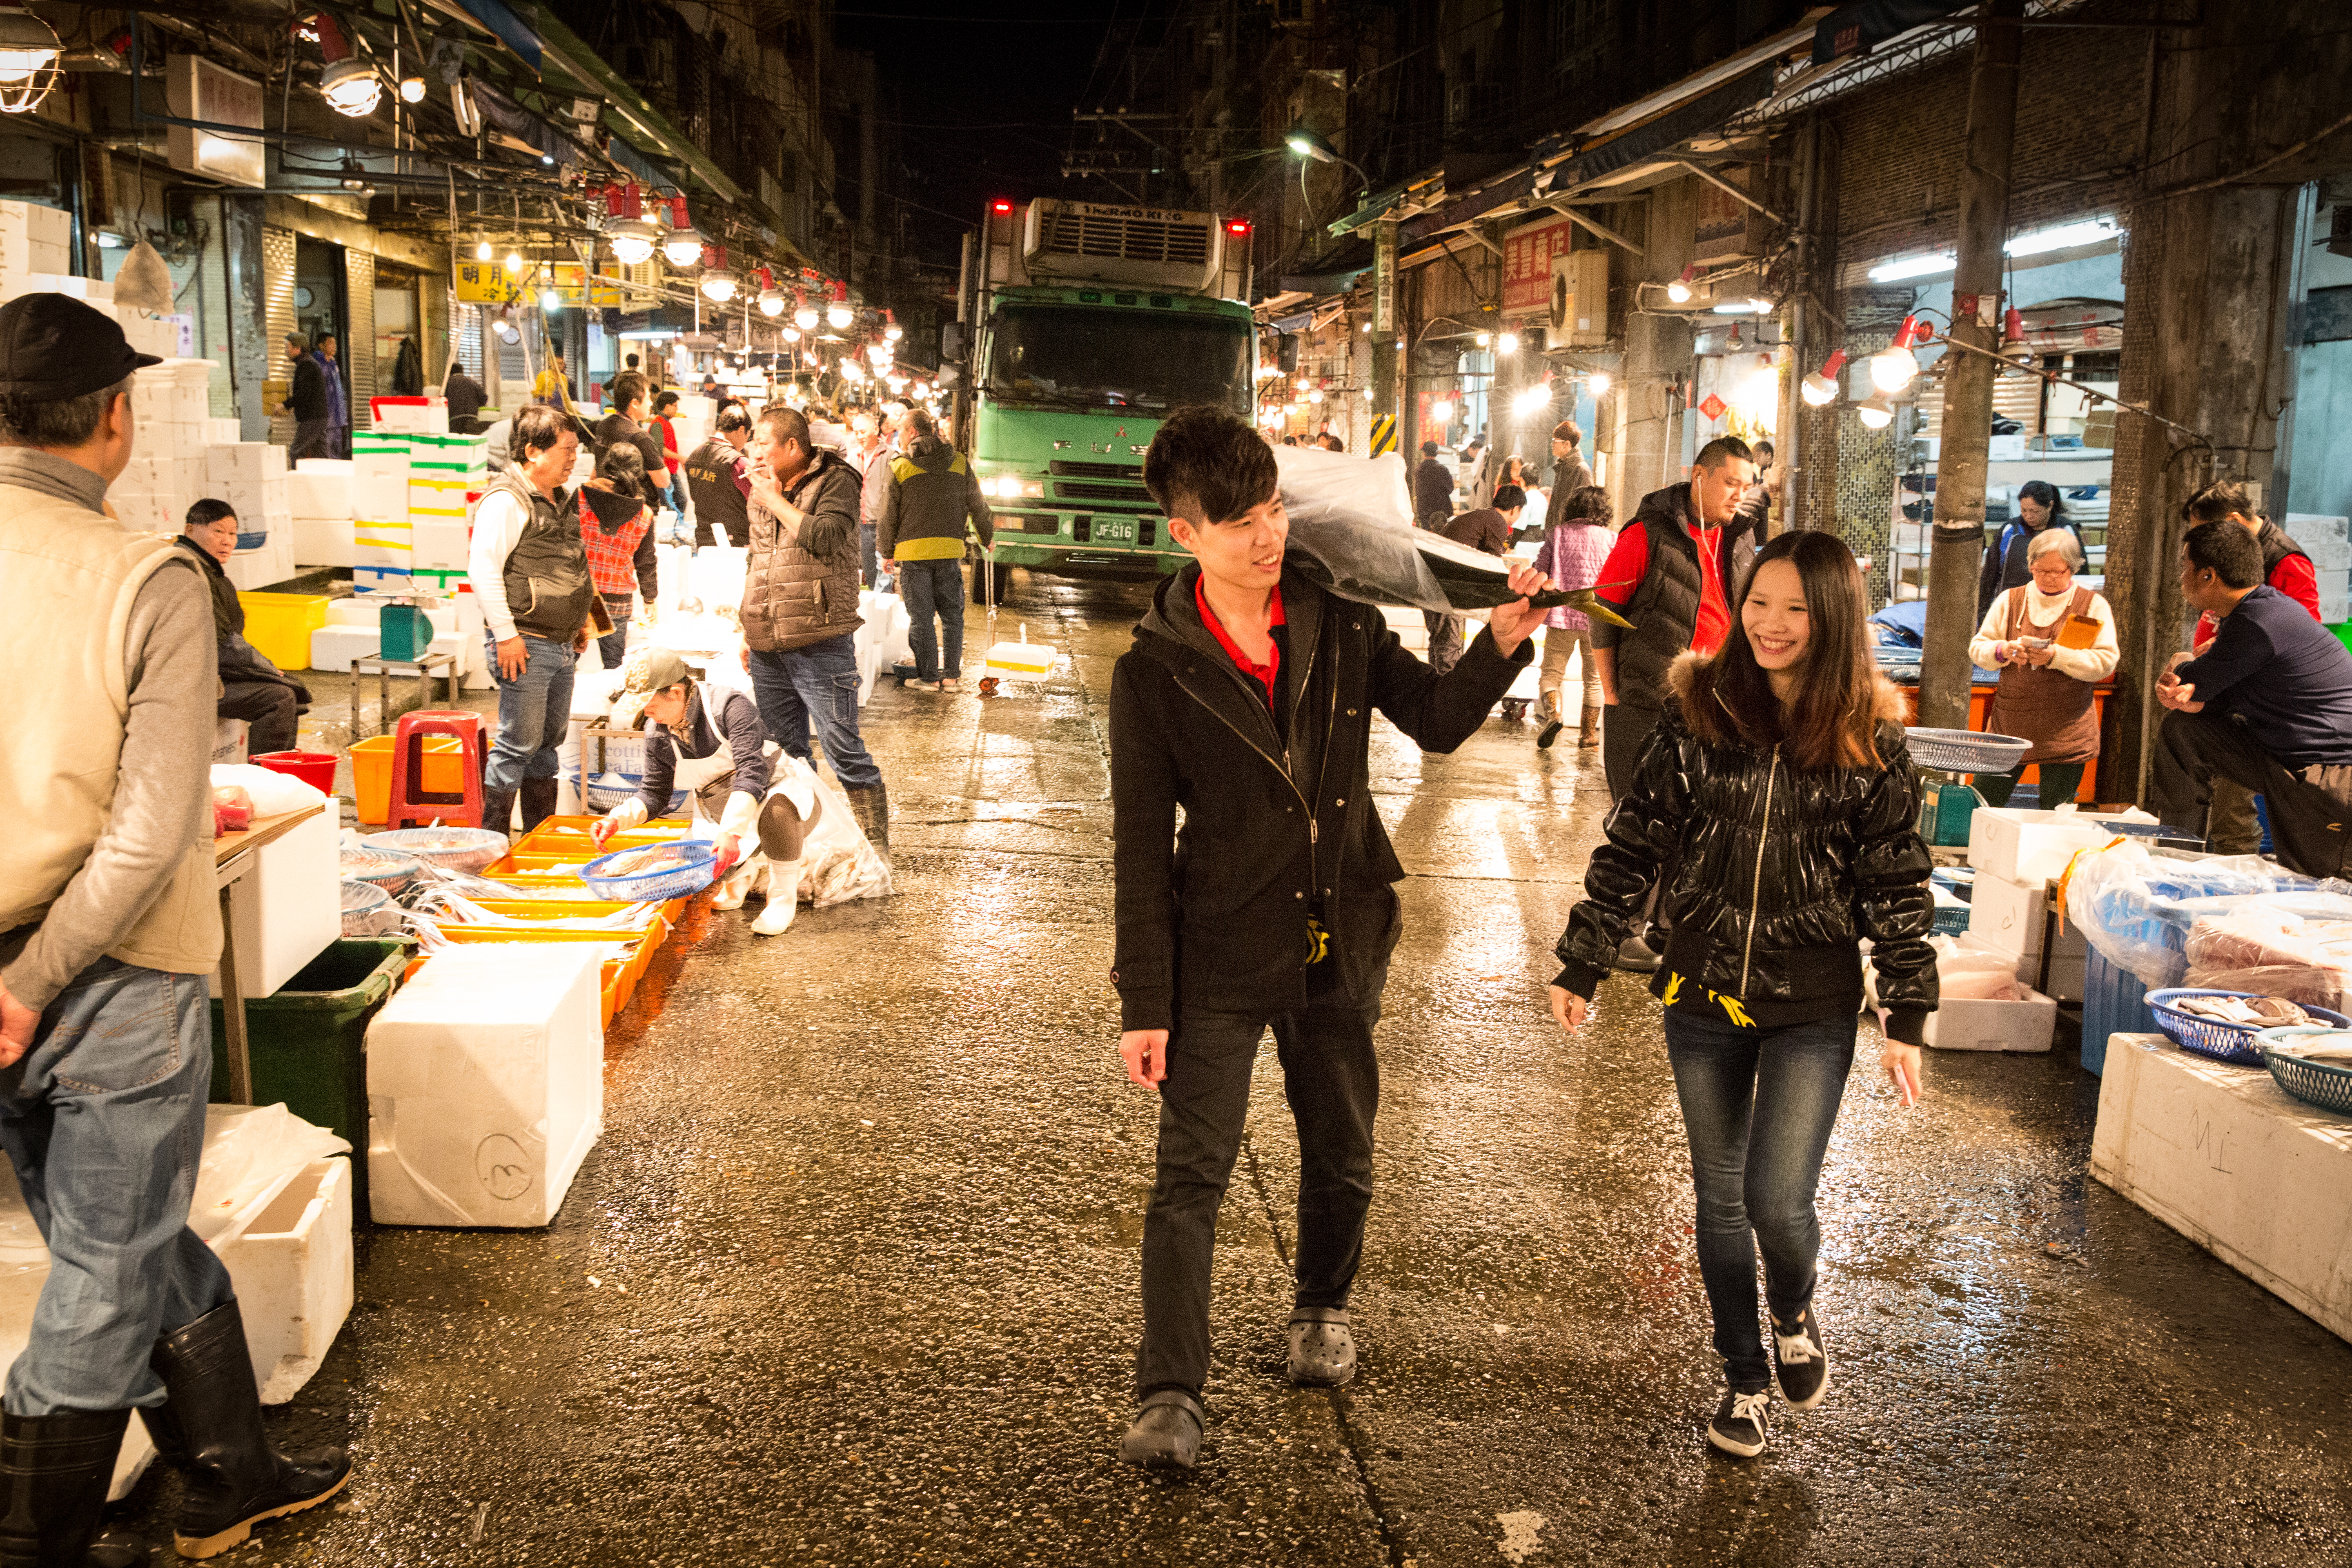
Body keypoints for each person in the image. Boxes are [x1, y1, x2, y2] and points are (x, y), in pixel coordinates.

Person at [1111, 403, 1546, 1472]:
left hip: (1340, 930)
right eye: (1238, 522)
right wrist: (1144, 1002)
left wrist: (1497, 647)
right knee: (1190, 1179)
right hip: (1215, 945)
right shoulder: (1154, 672)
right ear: (1185, 533)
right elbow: (1135, 848)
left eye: (1271, 510)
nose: (1266, 537)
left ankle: (1321, 1306)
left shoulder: (1343, 619)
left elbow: (1438, 724)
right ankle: (1171, 1390)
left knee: (1341, 1151)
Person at [0, 293, 350, 1565]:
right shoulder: (151, 575)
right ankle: (31, 1539)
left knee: (126, 1233)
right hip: (108, 978)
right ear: (115, 418)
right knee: (102, 1272)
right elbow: (152, 833)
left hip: (18, 976)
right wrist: (33, 982)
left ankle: (228, 1471)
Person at [1548, 529, 1933, 1460]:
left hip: (1809, 1006)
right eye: (1758, 600)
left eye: (1795, 607)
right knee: (1718, 1200)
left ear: (1832, 618)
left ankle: (1793, 1306)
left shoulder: (1870, 743)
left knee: (1775, 1199)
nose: (1768, 622)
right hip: (1701, 996)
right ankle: (1743, 1377)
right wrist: (1583, 956)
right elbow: (1633, 838)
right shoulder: (1697, 714)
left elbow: (1896, 886)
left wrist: (1904, 1015)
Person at [1586, 437, 1763, 971]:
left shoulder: (1740, 540)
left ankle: (1663, 935)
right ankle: (1614, 934)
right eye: (1731, 482)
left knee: (1699, 825)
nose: (1740, 495)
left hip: (1713, 708)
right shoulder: (1648, 535)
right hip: (1644, 703)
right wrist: (1611, 694)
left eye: (1746, 486)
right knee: (1639, 822)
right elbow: (1603, 610)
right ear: (1700, 477)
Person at [2152, 519, 2352, 878]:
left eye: (2185, 567)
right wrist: (2196, 693)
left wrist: (2185, 663)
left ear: (2208, 576)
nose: (2181, 577)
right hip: (2284, 757)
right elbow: (2209, 694)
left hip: (2330, 774)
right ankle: (2175, 854)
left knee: (2322, 892)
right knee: (2184, 728)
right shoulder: (2252, 613)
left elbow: (2192, 678)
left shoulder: (2259, 621)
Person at [740, 405, 892, 858]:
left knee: (844, 748)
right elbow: (758, 560)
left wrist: (774, 501)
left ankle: (876, 851)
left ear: (792, 446)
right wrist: (747, 627)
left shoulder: (837, 480)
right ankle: (801, 849)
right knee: (786, 753)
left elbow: (825, 537)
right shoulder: (763, 491)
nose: (756, 453)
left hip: (820, 639)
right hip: (768, 641)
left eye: (763, 444)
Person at [593, 648, 809, 935]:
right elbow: (655, 793)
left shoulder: (730, 707)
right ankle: (743, 875)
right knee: (694, 872)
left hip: (777, 789)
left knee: (777, 812)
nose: (645, 712)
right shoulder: (657, 731)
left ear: (675, 693)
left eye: (648, 703)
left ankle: (782, 898)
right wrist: (617, 819)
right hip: (719, 806)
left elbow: (752, 772)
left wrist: (731, 833)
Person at [469, 405, 595, 837]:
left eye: (576, 449)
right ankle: (492, 845)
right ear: (532, 452)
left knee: (547, 748)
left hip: (560, 643)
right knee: (516, 746)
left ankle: (538, 841)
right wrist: (506, 636)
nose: (573, 458)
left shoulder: (558, 498)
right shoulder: (507, 499)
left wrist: (581, 622)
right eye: (566, 449)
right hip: (525, 642)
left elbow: (569, 564)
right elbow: (482, 568)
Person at [2181, 479, 2323, 854]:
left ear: (2233, 521)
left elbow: (2303, 630)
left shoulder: (2287, 560)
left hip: (2266, 704)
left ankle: (2233, 873)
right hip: (2226, 684)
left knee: (2234, 800)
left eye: (2203, 533)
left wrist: (2227, 649)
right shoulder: (2232, 554)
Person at [1966, 528, 2117, 809]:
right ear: (2031, 565)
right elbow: (1978, 648)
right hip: (2011, 724)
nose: (2047, 578)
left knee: (2056, 814)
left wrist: (2054, 657)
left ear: (2072, 568)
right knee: (1982, 804)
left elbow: (2105, 662)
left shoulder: (2093, 605)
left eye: (2056, 572)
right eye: (2039, 570)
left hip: (2067, 731)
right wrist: (2005, 650)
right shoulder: (2010, 600)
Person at [179, 500, 311, 755]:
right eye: (218, 531)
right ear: (190, 530)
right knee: (281, 698)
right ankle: (266, 778)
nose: (227, 541)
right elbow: (217, 645)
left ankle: (277, 772)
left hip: (210, 673)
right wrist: (265, 668)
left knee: (291, 693)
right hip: (191, 682)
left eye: (232, 533)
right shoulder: (192, 574)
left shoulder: (209, 571)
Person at [877, 406, 992, 693]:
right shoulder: (960, 463)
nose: (899, 437)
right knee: (953, 616)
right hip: (950, 553)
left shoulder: (901, 466)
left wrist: (886, 551)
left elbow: (888, 514)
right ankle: (952, 677)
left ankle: (929, 678)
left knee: (922, 618)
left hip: (914, 556)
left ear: (913, 432)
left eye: (901, 431)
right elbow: (978, 505)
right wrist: (986, 536)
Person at [1531, 483, 1615, 751]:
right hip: (1598, 620)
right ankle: (1588, 735)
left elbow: (1539, 571)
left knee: (1551, 674)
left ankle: (1554, 716)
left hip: (1562, 617)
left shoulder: (1558, 535)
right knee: (1594, 680)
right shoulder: (1613, 540)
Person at [1424, 484, 1525, 677]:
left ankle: (1435, 688)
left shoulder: (1480, 516)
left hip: (1435, 584)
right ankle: (1449, 697)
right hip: (1448, 589)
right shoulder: (1497, 521)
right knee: (1449, 646)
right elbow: (1492, 563)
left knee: (1440, 643)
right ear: (1515, 509)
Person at [579, 441, 658, 672]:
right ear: (639, 474)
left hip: (583, 593)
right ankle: (609, 707)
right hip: (616, 598)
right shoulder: (644, 513)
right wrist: (650, 598)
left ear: (605, 466)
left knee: (566, 660)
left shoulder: (582, 497)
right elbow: (646, 561)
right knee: (613, 668)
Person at [1976, 479, 2085, 617]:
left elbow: (2080, 573)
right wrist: (1982, 612)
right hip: (2012, 605)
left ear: (2050, 506)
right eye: (2024, 510)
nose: (2028, 516)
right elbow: (1990, 572)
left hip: (2056, 607)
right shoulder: (2010, 530)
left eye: (2034, 511)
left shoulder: (2066, 530)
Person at [591, 372, 671, 513]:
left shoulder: (604, 426)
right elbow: (663, 481)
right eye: (648, 399)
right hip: (636, 512)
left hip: (605, 506)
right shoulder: (640, 437)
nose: (651, 403)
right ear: (635, 403)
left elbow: (596, 469)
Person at [682, 405, 754, 548]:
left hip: (704, 536)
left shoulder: (694, 455)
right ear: (741, 431)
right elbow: (758, 502)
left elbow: (695, 496)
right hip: (735, 541)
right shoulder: (738, 462)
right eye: (747, 436)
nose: (746, 442)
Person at [851, 407, 893, 589]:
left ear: (875, 430)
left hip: (883, 523)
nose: (860, 437)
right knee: (869, 571)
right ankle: (876, 612)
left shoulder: (891, 455)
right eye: (856, 433)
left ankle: (884, 610)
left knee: (885, 574)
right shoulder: (854, 457)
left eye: (863, 432)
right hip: (862, 523)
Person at [278, 333, 329, 460]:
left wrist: (285, 405)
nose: (286, 351)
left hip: (313, 418)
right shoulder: (308, 363)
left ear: (298, 348)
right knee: (321, 454)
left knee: (296, 452)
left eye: (288, 347)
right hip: (318, 417)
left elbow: (303, 393)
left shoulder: (306, 365)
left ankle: (298, 479)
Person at [651, 390, 688, 538]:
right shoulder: (658, 424)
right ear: (667, 406)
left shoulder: (665, 423)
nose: (677, 409)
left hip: (671, 471)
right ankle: (669, 535)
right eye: (675, 405)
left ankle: (675, 532)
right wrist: (680, 458)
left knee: (680, 501)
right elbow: (660, 449)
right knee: (671, 505)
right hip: (664, 473)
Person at [315, 333, 347, 458]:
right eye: (330, 343)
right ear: (321, 346)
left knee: (337, 453)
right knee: (327, 455)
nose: (334, 346)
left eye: (335, 343)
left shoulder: (333, 364)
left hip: (337, 418)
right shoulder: (318, 364)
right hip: (326, 419)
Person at [1412, 440, 1453, 528]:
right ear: (1437, 453)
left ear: (1424, 454)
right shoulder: (1443, 470)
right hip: (1441, 511)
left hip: (1425, 511)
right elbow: (1450, 489)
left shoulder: (1420, 470)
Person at [1549, 420, 1594, 495]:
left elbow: (1588, 504)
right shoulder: (1562, 466)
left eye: (1555, 441)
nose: (1552, 444)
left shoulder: (1582, 470)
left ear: (1567, 444)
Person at [443, 363, 488, 433]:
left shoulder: (447, 384)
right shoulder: (472, 383)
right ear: (462, 371)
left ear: (450, 372)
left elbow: (442, 402)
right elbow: (484, 398)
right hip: (472, 420)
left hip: (454, 421)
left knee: (457, 443)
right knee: (470, 442)